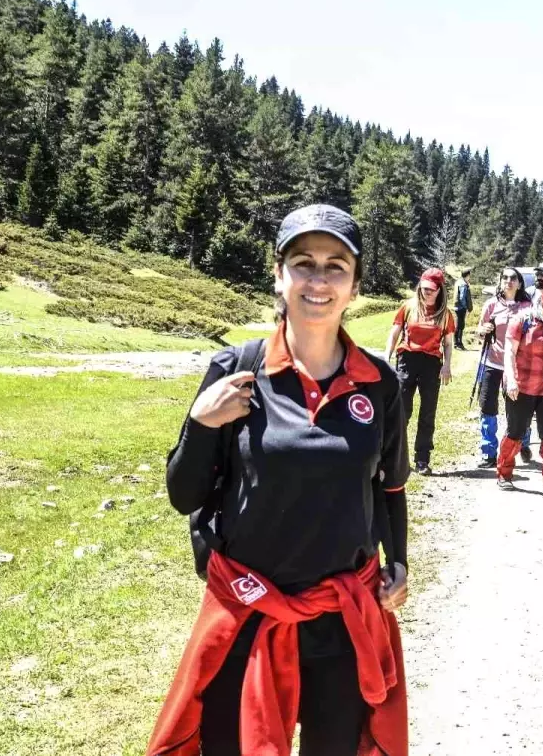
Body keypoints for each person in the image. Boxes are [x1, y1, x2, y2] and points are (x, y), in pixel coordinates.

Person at [150, 204, 410, 756]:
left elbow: (388, 486)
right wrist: (201, 423)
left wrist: (399, 560)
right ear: (279, 274)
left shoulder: (380, 382)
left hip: (342, 614)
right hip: (247, 608)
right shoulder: (235, 370)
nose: (319, 280)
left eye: (335, 266)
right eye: (303, 263)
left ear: (356, 285)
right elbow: (184, 495)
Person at [498, 286, 543, 501]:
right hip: (522, 387)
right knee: (516, 431)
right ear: (541, 305)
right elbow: (509, 353)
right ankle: (504, 473)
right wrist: (510, 379)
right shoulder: (521, 320)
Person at [385, 268, 454, 475]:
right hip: (407, 359)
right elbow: (395, 331)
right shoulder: (408, 307)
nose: (427, 293)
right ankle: (394, 457)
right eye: (424, 289)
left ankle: (422, 458)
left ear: (440, 290)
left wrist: (447, 365)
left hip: (431, 363)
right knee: (401, 411)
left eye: (431, 290)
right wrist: (386, 357)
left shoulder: (445, 315)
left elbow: (448, 343)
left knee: (427, 413)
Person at [474, 268, 532, 468]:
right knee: (488, 407)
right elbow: (479, 332)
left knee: (517, 408)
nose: (508, 281)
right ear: (500, 282)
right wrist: (482, 331)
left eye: (513, 278)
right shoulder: (491, 304)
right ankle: (489, 452)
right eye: (505, 278)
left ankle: (522, 443)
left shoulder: (527, 306)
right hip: (491, 361)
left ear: (519, 283)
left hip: (517, 366)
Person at [453, 269, 473, 350]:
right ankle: (459, 343)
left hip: (457, 306)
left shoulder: (458, 282)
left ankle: (456, 343)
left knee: (458, 325)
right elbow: (462, 297)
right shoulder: (463, 284)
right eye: (469, 275)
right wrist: (466, 307)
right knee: (461, 326)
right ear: (467, 275)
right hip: (461, 307)